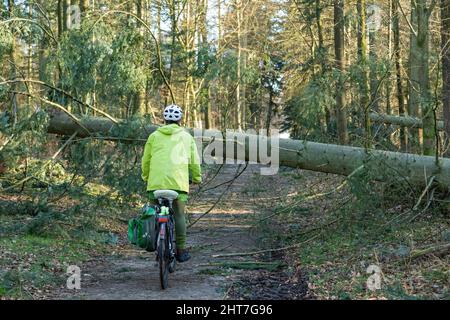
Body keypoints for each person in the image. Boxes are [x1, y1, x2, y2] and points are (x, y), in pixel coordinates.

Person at [141, 104, 202, 263]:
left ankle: (154, 241)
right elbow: (194, 162)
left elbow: (146, 160)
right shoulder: (187, 137)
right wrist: (196, 178)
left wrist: (146, 176)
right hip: (178, 184)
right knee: (179, 214)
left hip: (155, 184)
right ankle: (180, 250)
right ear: (181, 120)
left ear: (164, 120)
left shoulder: (154, 136)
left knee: (153, 213)